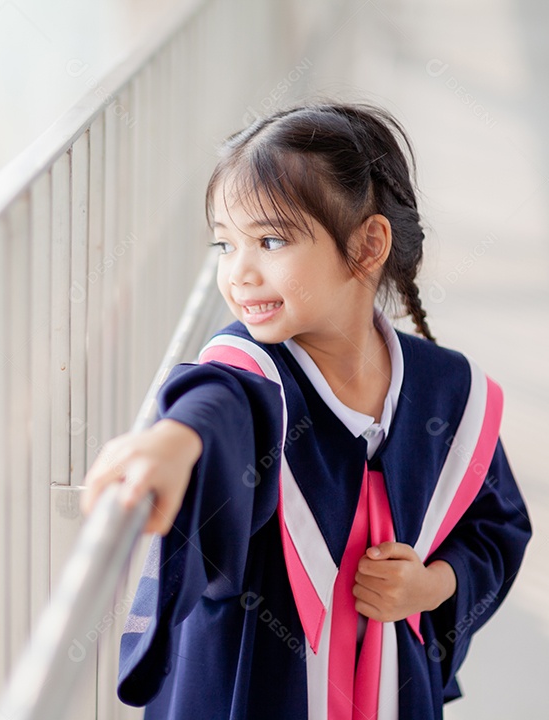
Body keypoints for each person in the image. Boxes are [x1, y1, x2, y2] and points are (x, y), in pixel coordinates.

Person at [80, 101, 532, 719]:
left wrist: (432, 585)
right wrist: (171, 442)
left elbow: (496, 528)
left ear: (368, 244)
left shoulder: (448, 393)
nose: (238, 272)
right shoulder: (255, 368)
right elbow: (218, 408)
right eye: (224, 244)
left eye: (269, 241)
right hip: (260, 687)